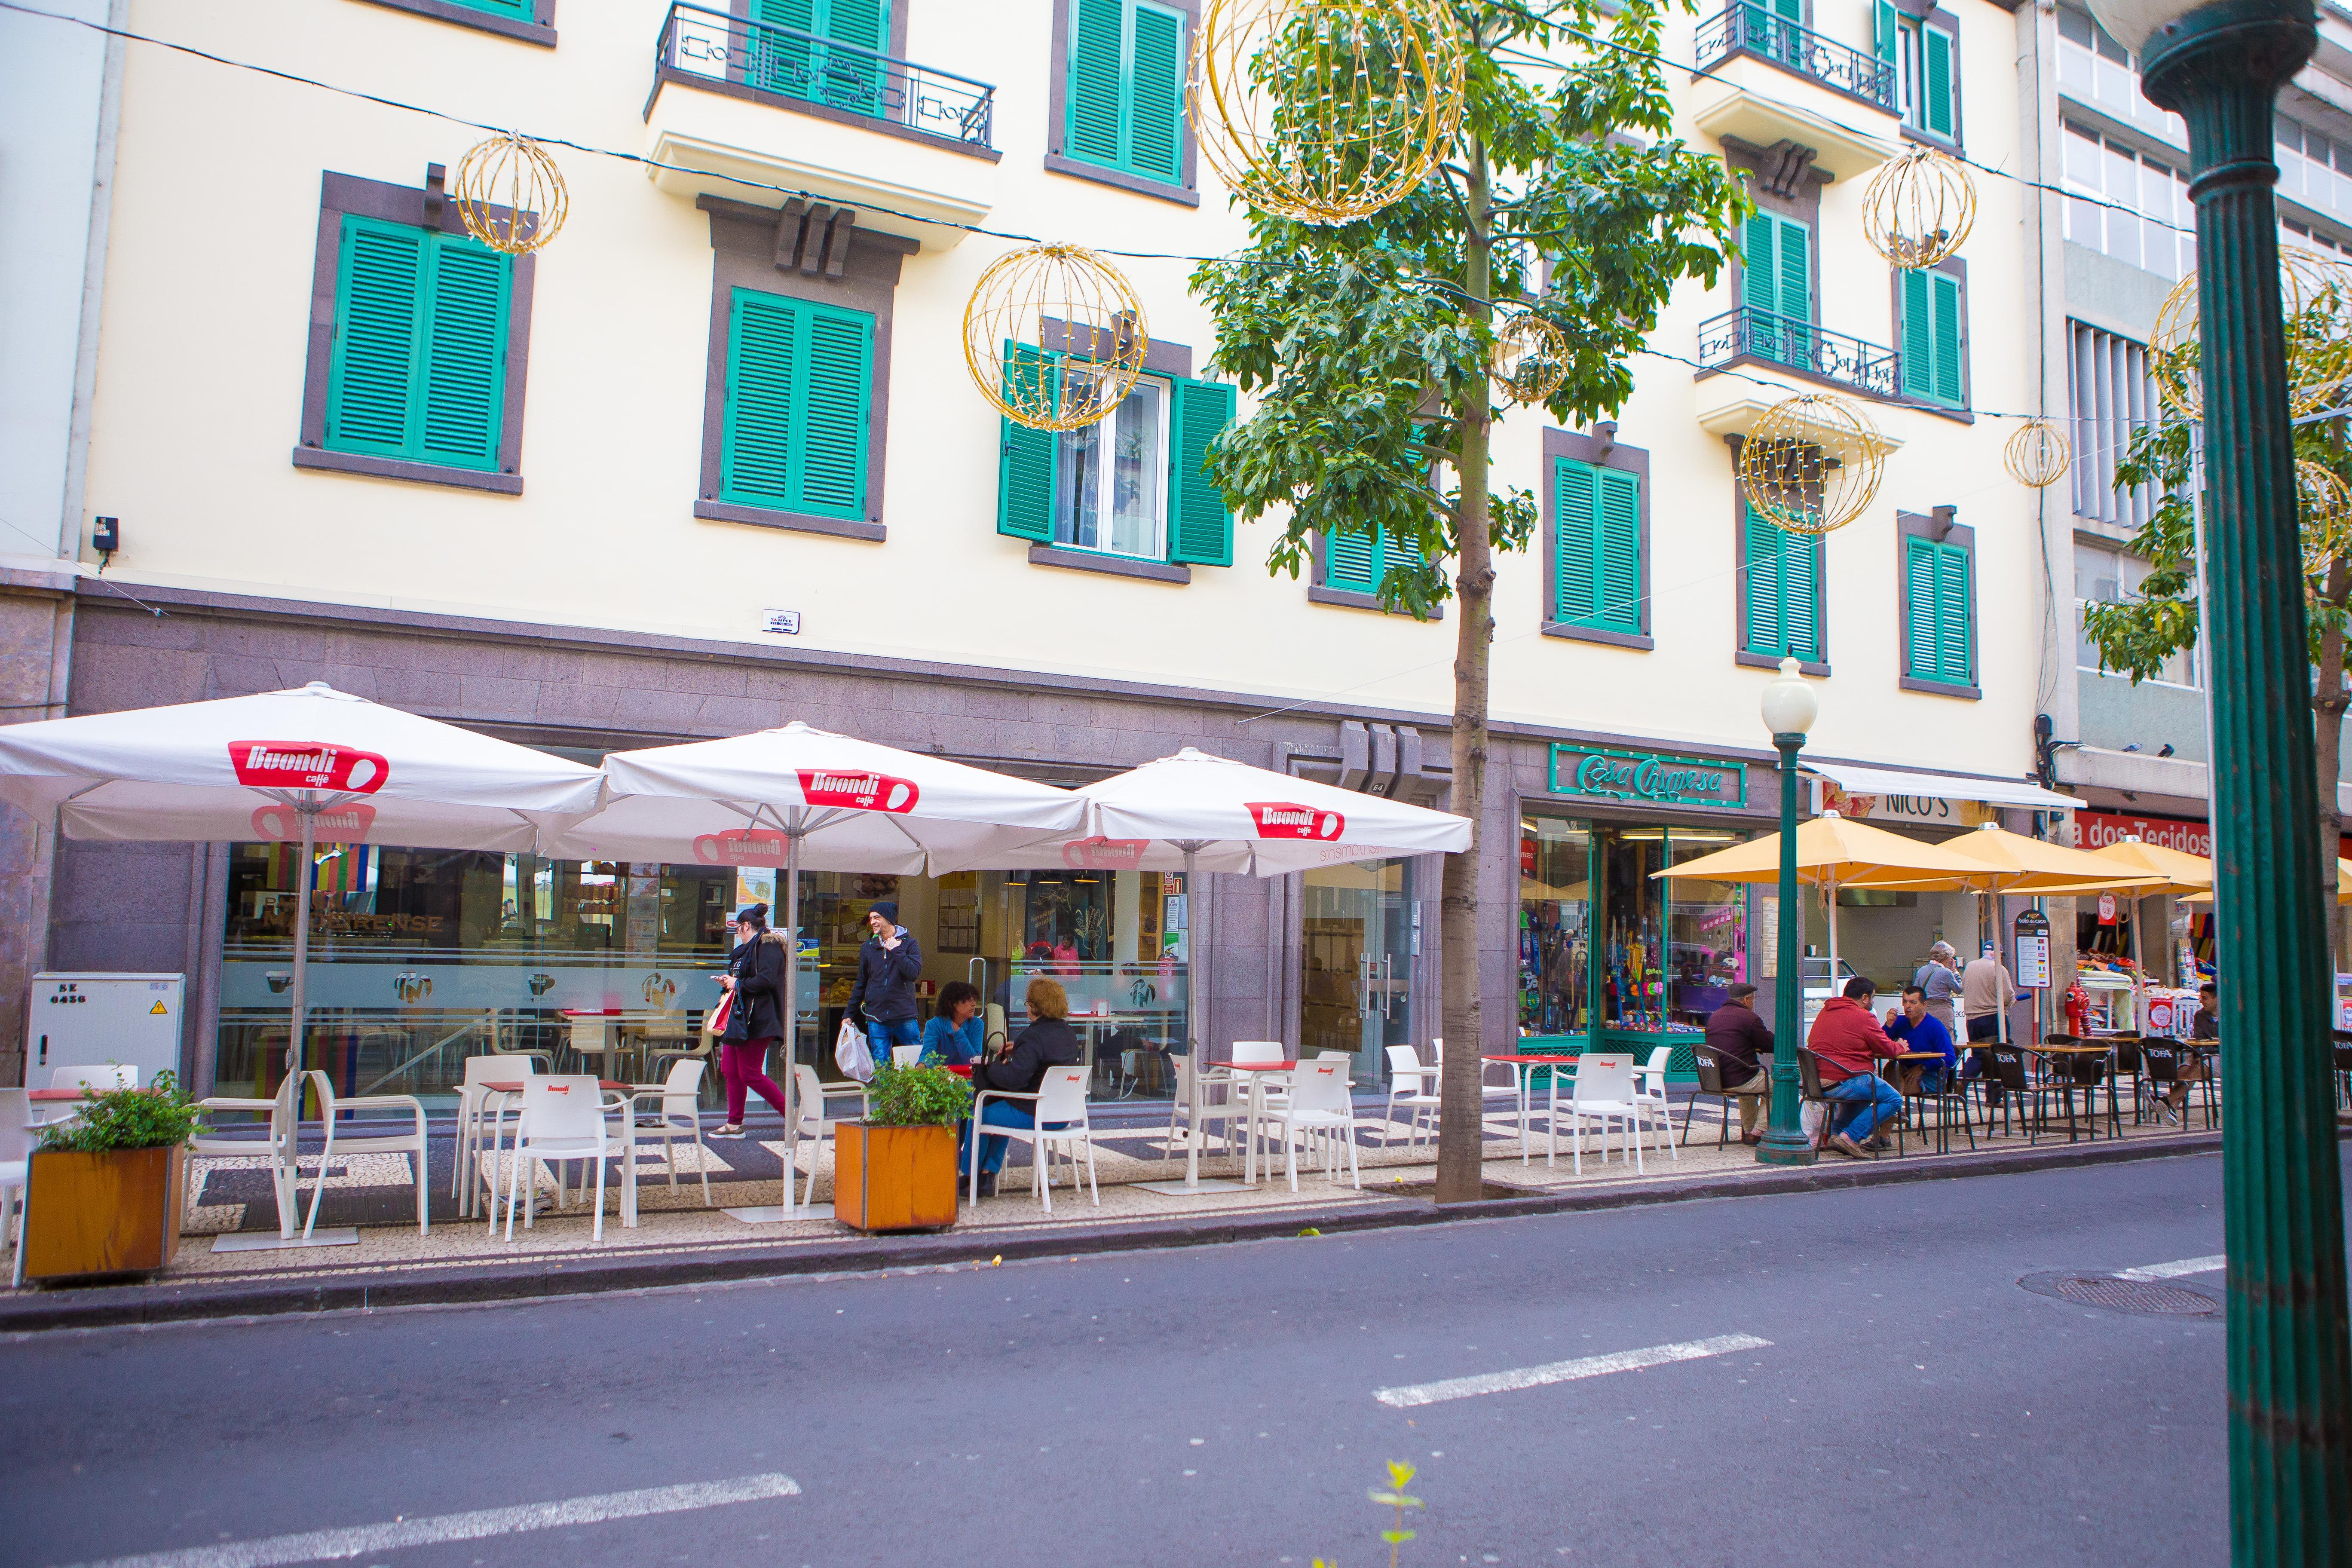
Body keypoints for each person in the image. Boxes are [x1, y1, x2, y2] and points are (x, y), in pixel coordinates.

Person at [959, 976, 1084, 1198]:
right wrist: (1020, 1050)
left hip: (1035, 1114)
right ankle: (987, 1174)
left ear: (1034, 1006)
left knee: (979, 1112)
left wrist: (988, 1068)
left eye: (1027, 1002)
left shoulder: (1032, 1036)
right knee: (999, 1111)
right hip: (1062, 1116)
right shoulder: (1068, 1033)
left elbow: (1015, 1080)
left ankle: (971, 1176)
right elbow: (1046, 1059)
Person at [711, 904, 792, 1139]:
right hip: (739, 1018)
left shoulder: (769, 946)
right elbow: (746, 979)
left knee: (749, 1073)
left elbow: (766, 979)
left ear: (747, 926)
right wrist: (729, 981)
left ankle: (791, 1115)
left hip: (759, 1019)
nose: (737, 933)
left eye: (738, 929)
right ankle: (734, 1124)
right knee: (730, 1070)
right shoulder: (747, 950)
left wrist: (736, 984)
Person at [1806, 976, 1908, 1157]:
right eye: (1873, 997)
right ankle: (1850, 1137)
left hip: (1817, 1082)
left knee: (1864, 1093)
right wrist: (1902, 1046)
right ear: (1865, 998)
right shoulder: (1864, 1016)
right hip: (1844, 1080)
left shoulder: (1825, 1012)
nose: (1873, 1001)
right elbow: (1889, 1049)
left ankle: (1836, 1135)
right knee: (1894, 1099)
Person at [848, 900, 924, 1066]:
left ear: (888, 919)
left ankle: (910, 1093)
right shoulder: (868, 948)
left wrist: (897, 950)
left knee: (915, 1063)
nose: (873, 922)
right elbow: (861, 982)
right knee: (881, 1066)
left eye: (877, 917)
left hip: (905, 1015)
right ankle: (883, 1093)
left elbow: (913, 974)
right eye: (871, 918)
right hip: (877, 1016)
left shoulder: (910, 944)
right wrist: (849, 1014)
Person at [1701, 981, 1774, 1144]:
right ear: (1747, 1000)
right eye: (1753, 1000)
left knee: (1751, 1086)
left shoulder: (1715, 1016)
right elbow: (1769, 1044)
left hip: (1716, 1080)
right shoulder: (1749, 1018)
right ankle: (1758, 1131)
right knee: (1780, 1087)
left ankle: (1749, 1131)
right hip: (1741, 1078)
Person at [1882, 983, 1957, 1095]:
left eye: (1913, 1003)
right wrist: (1888, 1025)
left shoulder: (1935, 1027)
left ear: (1924, 1005)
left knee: (1890, 1089)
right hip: (1905, 1069)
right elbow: (1881, 1041)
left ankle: (1894, 1108)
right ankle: (1895, 1107)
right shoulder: (1900, 1022)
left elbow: (1950, 1058)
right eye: (1905, 1002)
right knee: (1890, 1068)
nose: (1907, 1006)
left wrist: (1923, 1067)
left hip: (1932, 1075)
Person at [920, 980, 985, 1067]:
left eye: (974, 1000)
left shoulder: (977, 1024)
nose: (974, 1004)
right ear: (953, 1004)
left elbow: (974, 1061)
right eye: (969, 1000)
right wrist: (922, 1065)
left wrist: (958, 1033)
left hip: (968, 1077)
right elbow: (928, 1053)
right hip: (941, 1077)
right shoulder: (934, 1025)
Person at [1912, 942, 1963, 1036]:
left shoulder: (1921, 970)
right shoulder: (1946, 972)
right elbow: (1959, 989)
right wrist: (1955, 972)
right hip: (1943, 1012)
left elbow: (1915, 991)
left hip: (1925, 1011)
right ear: (1947, 958)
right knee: (1945, 1037)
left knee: (1927, 1037)